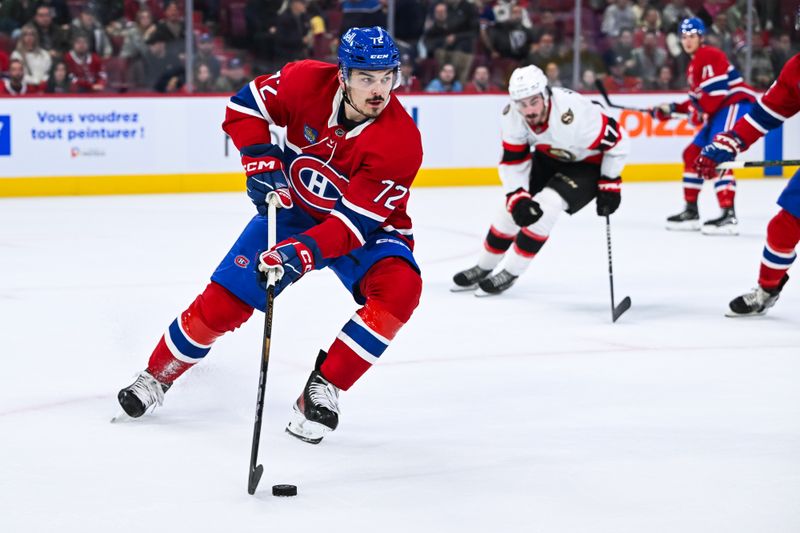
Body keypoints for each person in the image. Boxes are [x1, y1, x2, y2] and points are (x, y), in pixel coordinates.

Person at [116, 27, 423, 446]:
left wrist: (302, 252)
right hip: (294, 210)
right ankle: (157, 376)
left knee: (401, 289)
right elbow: (243, 107)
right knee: (225, 302)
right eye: (367, 78)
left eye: (388, 77)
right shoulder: (304, 81)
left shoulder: (400, 141)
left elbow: (351, 226)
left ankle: (323, 388)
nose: (379, 90)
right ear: (343, 75)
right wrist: (259, 159)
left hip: (368, 230)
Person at [451, 65, 630, 295]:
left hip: (588, 164)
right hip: (549, 157)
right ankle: (483, 266)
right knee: (510, 210)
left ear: (546, 95)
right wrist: (517, 196)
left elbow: (619, 142)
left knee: (549, 204)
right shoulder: (512, 116)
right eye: (522, 104)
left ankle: (511, 272)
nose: (529, 110)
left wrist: (610, 182)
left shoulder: (574, 114)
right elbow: (514, 160)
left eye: (534, 102)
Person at [694, 50, 800, 316]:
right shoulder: (796, 69)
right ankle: (767, 291)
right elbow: (765, 114)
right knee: (782, 229)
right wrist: (729, 142)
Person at [650, 17, 758, 235]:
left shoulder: (709, 55)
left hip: (733, 105)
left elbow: (716, 96)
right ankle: (691, 211)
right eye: (684, 37)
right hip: (719, 110)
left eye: (692, 36)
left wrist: (693, 112)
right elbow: (700, 102)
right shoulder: (694, 63)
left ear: (701, 37)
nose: (688, 41)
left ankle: (728, 214)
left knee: (719, 153)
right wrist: (670, 109)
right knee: (692, 154)